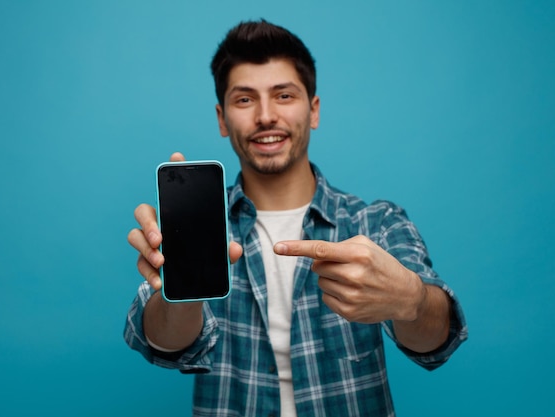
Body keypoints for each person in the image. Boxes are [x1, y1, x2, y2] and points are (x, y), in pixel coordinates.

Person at [124, 19, 467, 417]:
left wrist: (411, 299)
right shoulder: (195, 224)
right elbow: (161, 342)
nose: (266, 116)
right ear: (222, 119)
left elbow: (437, 338)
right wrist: (184, 291)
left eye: (284, 95)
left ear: (314, 109)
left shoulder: (375, 223)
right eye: (244, 100)